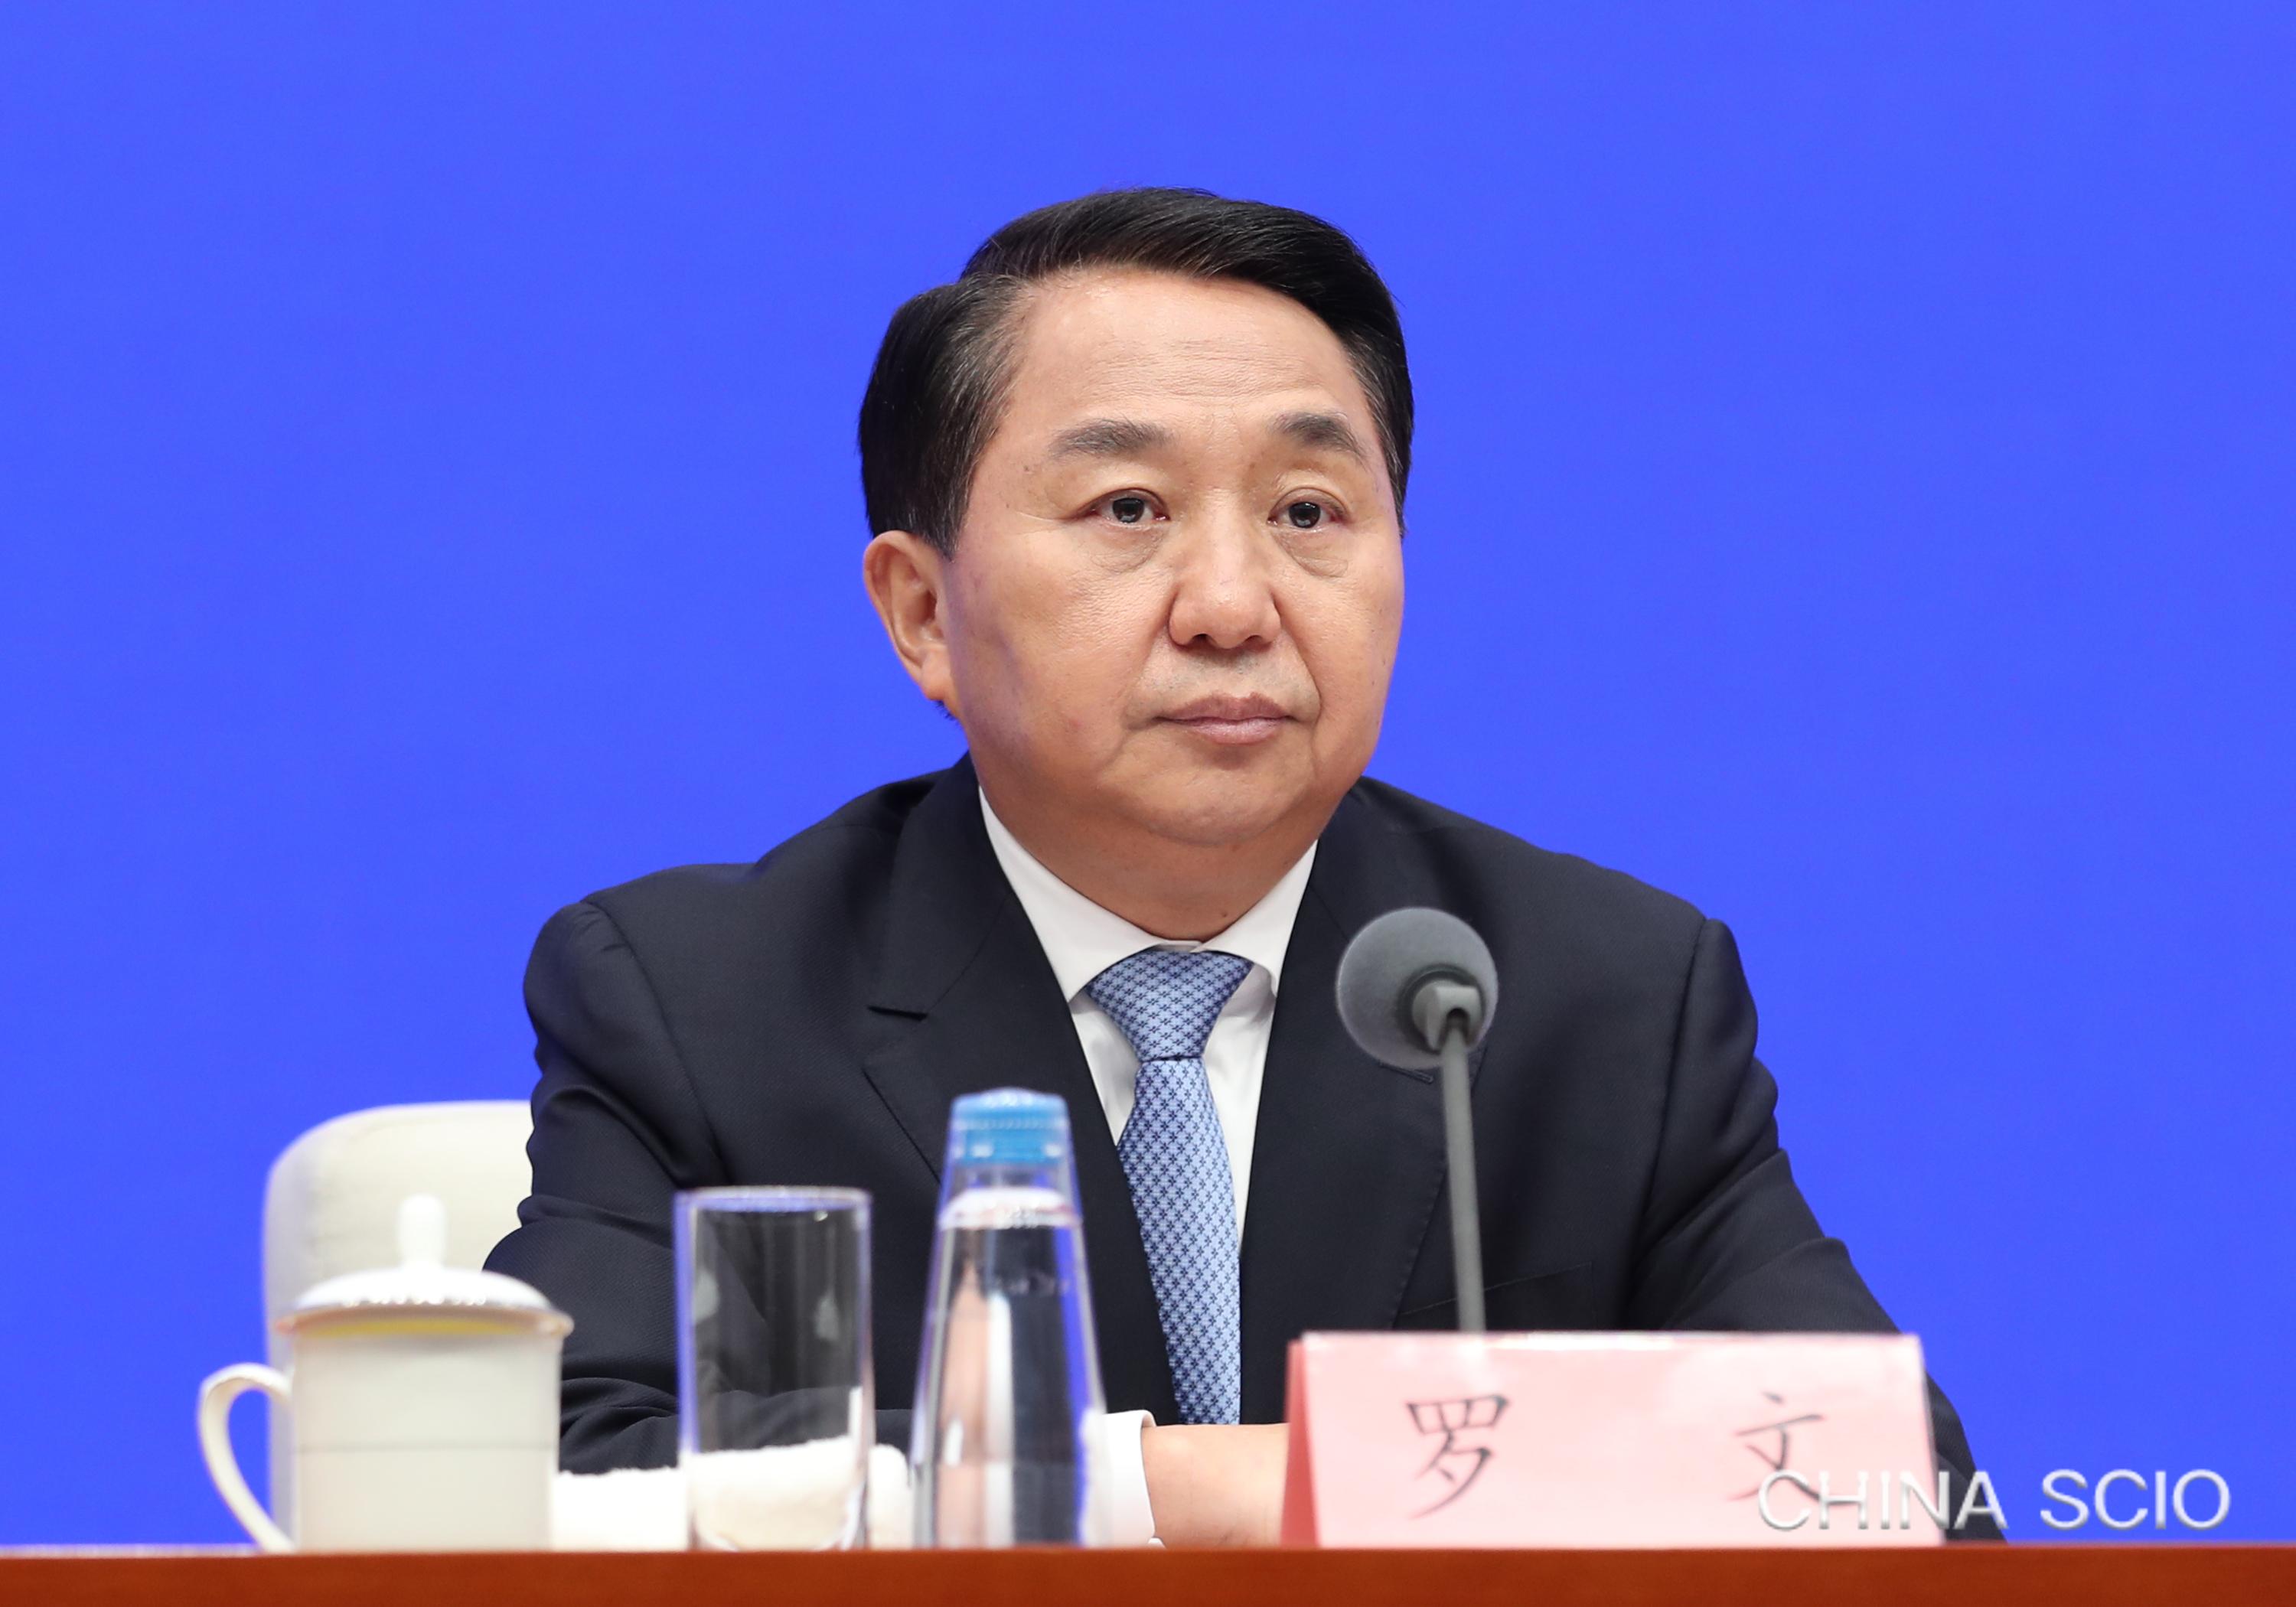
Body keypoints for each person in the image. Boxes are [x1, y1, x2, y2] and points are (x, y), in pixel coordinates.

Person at [485, 187, 1991, 1545]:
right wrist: (1177, 1491)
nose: (1231, 602)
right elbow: (540, 1484)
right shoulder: (705, 1001)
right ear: (924, 615)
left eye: (1307, 512)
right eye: (1128, 510)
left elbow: (1893, 1485)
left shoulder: (1599, 992)